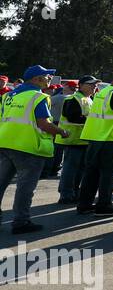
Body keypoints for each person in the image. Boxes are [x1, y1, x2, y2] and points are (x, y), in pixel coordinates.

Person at [0, 65, 69, 234]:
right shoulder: (39, 97)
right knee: (25, 187)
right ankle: (21, 222)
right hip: (28, 147)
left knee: (1, 183)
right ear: (36, 79)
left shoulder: (8, 95)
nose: (49, 79)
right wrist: (61, 131)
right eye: (47, 76)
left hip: (6, 143)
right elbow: (43, 123)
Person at [77, 66, 113, 216]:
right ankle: (104, 205)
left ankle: (84, 204)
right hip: (110, 139)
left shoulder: (102, 92)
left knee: (91, 173)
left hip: (95, 137)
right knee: (108, 174)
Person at [56, 76, 97, 203]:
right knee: (70, 169)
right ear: (82, 85)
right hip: (72, 139)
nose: (94, 87)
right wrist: (94, 121)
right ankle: (66, 195)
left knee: (80, 169)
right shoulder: (73, 99)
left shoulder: (89, 99)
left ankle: (74, 192)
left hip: (83, 140)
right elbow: (72, 117)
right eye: (91, 84)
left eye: (95, 85)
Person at [43, 80, 74, 178]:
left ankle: (47, 170)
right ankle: (56, 169)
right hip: (68, 125)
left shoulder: (57, 98)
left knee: (52, 148)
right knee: (59, 150)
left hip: (55, 123)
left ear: (67, 87)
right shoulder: (75, 98)